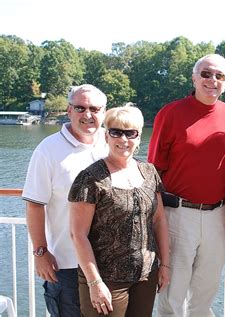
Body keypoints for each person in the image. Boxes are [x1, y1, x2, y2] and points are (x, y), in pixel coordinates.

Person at [147, 53, 225, 316]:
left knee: (205, 293)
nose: (212, 80)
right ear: (194, 77)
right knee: (171, 294)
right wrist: (158, 217)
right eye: (206, 74)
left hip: (217, 216)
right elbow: (153, 171)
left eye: (219, 76)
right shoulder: (171, 113)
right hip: (177, 215)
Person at [69, 104, 170, 316]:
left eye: (130, 133)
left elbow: (159, 221)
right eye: (116, 132)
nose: (123, 140)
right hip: (107, 280)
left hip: (145, 276)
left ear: (139, 137)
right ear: (107, 136)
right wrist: (95, 283)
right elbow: (78, 235)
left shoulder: (149, 172)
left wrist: (165, 265)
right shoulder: (90, 178)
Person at [22, 84, 108, 316]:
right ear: (69, 111)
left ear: (104, 112)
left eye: (94, 108)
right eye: (80, 108)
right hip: (66, 264)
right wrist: (40, 251)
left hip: (109, 262)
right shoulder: (48, 150)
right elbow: (34, 204)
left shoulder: (112, 144)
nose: (87, 114)